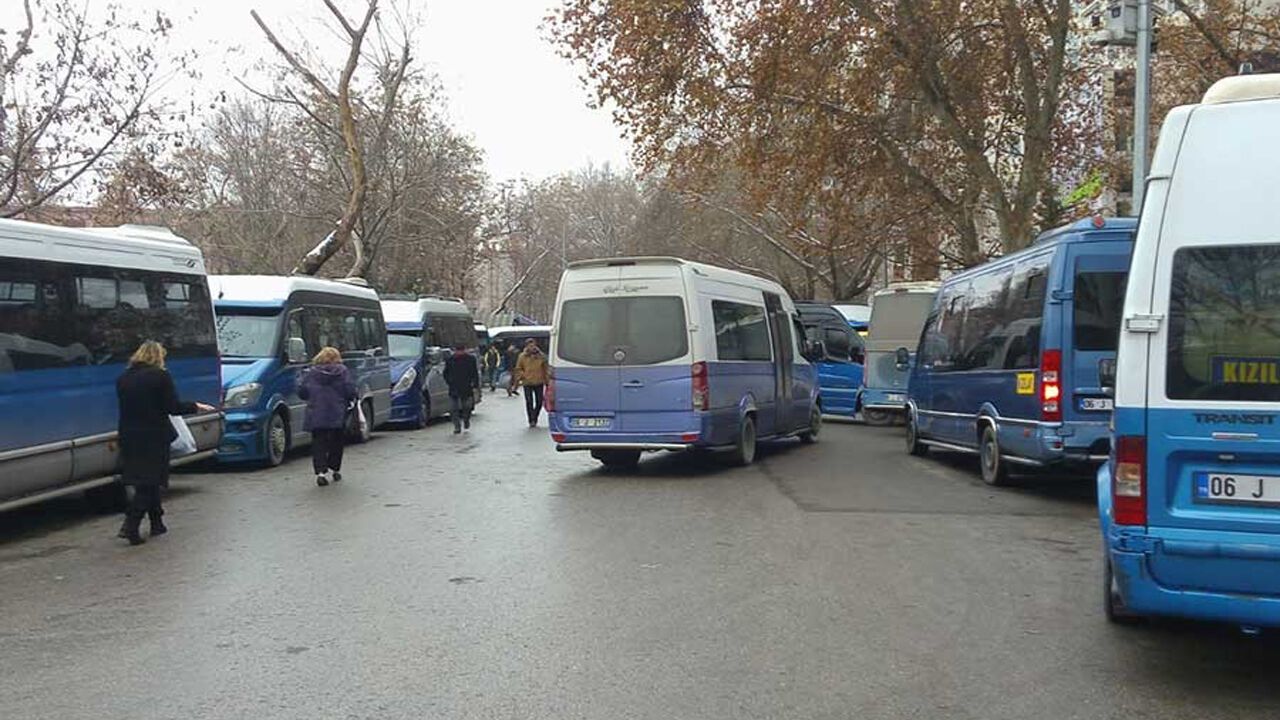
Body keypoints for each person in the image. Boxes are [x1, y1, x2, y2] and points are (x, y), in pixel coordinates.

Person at [116, 340, 215, 545]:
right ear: (158, 356)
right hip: (153, 436)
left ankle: (157, 522)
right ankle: (130, 525)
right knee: (149, 481)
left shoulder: (124, 378)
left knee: (147, 479)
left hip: (129, 435)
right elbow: (173, 406)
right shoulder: (160, 377)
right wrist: (196, 406)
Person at [298, 346, 357, 487]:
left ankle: (320, 472)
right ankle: (335, 468)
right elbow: (350, 390)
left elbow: (302, 392)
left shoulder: (311, 373)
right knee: (337, 441)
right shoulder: (343, 372)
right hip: (337, 412)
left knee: (318, 443)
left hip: (317, 412)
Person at [443, 343, 481, 434]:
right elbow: (446, 373)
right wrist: (449, 382)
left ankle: (466, 420)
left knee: (467, 407)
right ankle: (457, 426)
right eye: (458, 350)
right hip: (454, 387)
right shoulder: (450, 360)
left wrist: (475, 385)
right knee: (453, 408)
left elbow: (474, 373)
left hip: (466, 387)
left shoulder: (470, 359)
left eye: (461, 350)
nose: (460, 352)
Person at [515, 338, 549, 427]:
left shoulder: (541, 356)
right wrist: (523, 375)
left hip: (539, 381)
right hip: (527, 382)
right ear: (526, 346)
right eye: (530, 345)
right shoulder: (522, 356)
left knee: (539, 401)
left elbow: (546, 368)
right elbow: (518, 368)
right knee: (529, 401)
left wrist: (547, 381)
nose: (532, 347)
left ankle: (535, 416)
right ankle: (531, 420)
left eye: (533, 345)